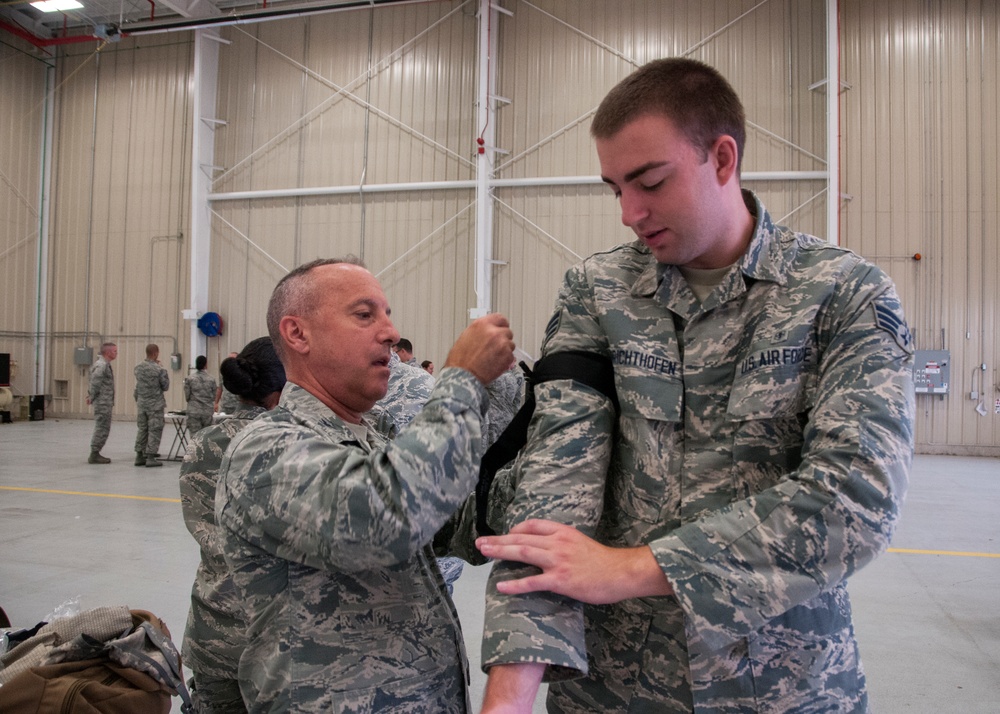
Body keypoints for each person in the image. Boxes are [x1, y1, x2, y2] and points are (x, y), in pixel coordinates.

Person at [475, 57, 915, 713]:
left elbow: (858, 494)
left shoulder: (842, 293)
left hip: (783, 688)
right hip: (616, 691)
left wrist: (630, 569)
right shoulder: (597, 292)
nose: (629, 212)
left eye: (649, 181)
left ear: (722, 158)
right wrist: (509, 696)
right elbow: (555, 484)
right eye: (614, 188)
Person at [215, 257, 515, 712]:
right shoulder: (265, 448)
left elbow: (452, 525)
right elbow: (387, 519)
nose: (391, 332)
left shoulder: (376, 435)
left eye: (388, 314)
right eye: (364, 314)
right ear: (298, 334)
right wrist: (462, 381)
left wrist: (528, 484)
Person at [180, 337, 287, 714]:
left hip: (212, 626)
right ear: (282, 388)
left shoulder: (202, 443)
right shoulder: (292, 445)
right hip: (276, 639)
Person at [133, 343, 170, 468]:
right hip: (155, 405)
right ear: (155, 353)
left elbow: (138, 386)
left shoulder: (138, 367)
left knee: (142, 429)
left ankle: (139, 455)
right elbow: (165, 386)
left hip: (142, 403)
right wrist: (161, 367)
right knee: (155, 429)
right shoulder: (159, 369)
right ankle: (150, 456)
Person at [86, 342, 117, 464]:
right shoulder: (102, 365)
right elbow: (95, 382)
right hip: (102, 402)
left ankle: (95, 452)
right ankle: (94, 453)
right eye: (114, 351)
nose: (116, 353)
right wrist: (91, 396)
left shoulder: (105, 365)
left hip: (105, 401)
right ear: (108, 352)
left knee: (104, 427)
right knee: (102, 427)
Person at [184, 355, 218, 437]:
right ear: (205, 365)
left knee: (194, 437)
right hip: (207, 411)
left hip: (194, 411)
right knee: (207, 436)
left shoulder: (189, 379)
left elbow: (187, 396)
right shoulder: (211, 379)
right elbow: (214, 396)